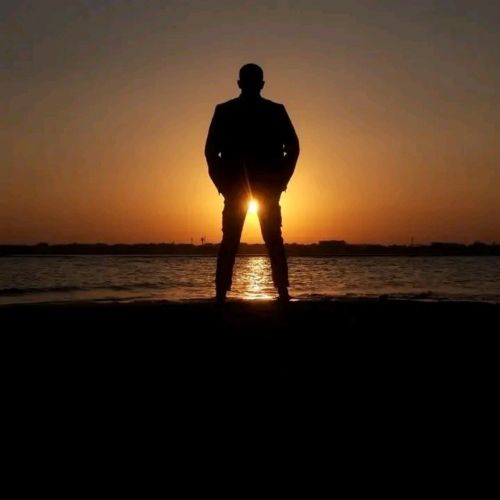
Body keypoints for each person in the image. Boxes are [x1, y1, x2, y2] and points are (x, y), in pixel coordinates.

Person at [205, 63, 300, 303]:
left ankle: (227, 294)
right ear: (261, 84)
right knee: (250, 239)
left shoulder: (234, 111)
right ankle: (227, 292)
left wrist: (281, 180)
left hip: (259, 187)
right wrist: (221, 183)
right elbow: (210, 151)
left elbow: (293, 148)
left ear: (240, 83)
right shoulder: (230, 111)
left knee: (259, 239)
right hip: (243, 187)